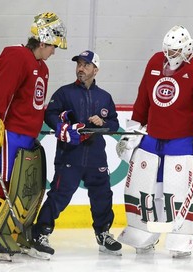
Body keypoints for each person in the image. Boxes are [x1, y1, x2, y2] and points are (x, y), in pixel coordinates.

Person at [116, 25, 193, 258]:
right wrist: (134, 128)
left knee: (177, 190)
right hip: (152, 138)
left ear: (187, 47)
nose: (170, 56)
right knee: (143, 186)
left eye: (175, 52)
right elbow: (143, 98)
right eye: (168, 51)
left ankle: (183, 235)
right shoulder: (156, 61)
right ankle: (141, 231)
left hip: (182, 141)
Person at [0, 12, 67, 261]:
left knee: (22, 188)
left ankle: (11, 234)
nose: (54, 52)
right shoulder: (17, 56)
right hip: (10, 135)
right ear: (44, 41)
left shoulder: (42, 68)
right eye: (53, 47)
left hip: (27, 137)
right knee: (5, 185)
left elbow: (33, 105)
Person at [29, 50, 122, 259]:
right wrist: (63, 127)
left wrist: (103, 123)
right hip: (69, 155)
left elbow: (114, 123)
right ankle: (40, 233)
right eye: (79, 64)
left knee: (103, 195)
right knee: (60, 195)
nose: (81, 68)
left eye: (86, 65)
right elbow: (50, 114)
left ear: (95, 69)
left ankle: (103, 234)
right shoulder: (64, 93)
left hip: (96, 156)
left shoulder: (104, 97)